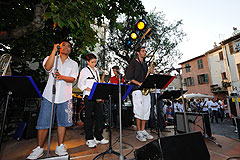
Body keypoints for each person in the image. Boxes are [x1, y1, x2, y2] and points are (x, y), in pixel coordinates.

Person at [27, 41, 79, 159]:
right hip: (49, 95)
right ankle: (39, 148)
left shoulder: (74, 63)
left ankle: (60, 146)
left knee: (62, 123)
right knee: (43, 122)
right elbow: (47, 67)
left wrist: (61, 77)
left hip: (65, 97)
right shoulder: (51, 58)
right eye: (64, 45)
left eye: (69, 46)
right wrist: (53, 51)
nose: (66, 47)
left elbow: (73, 79)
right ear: (59, 47)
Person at [78, 53, 109, 148]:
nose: (94, 64)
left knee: (100, 116)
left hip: (97, 96)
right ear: (88, 62)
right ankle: (89, 138)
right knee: (88, 118)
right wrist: (88, 89)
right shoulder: (84, 71)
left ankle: (98, 137)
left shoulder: (96, 71)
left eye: (95, 62)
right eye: (92, 62)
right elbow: (80, 84)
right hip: (88, 96)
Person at [126, 46, 153, 142]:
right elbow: (129, 77)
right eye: (143, 51)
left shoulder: (145, 64)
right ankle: (138, 131)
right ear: (138, 53)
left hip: (145, 90)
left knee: (146, 110)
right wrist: (139, 84)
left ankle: (143, 130)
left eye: (145, 51)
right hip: (136, 89)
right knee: (138, 110)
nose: (144, 52)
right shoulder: (133, 63)